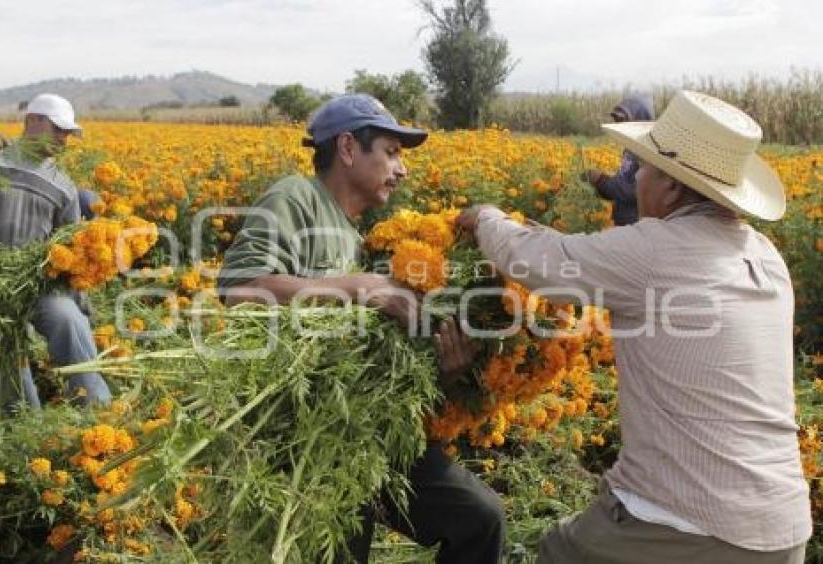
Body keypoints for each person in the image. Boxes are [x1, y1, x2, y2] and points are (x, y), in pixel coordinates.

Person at [457, 90, 810, 564]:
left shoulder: (655, 251)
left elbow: (535, 260)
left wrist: (486, 217)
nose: (636, 178)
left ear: (670, 187)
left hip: (692, 526)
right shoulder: (765, 255)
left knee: (560, 551)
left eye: (642, 168)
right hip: (784, 526)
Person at [219, 94, 505, 563]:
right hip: (303, 439)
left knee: (479, 517)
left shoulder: (362, 239)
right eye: (391, 153)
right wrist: (359, 287)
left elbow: (376, 365)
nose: (402, 169)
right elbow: (241, 291)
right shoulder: (298, 197)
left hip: (363, 429)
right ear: (348, 148)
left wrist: (447, 369)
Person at [0, 93, 112, 411]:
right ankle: (25, 435)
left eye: (68, 133)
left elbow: (71, 256)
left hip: (35, 283)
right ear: (31, 121)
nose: (64, 139)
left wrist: (82, 306)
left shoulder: (63, 186)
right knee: (8, 372)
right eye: (58, 129)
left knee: (68, 319)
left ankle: (97, 411)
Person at [585, 92, 655, 226]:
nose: (621, 127)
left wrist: (601, 180)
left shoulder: (648, 152)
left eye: (624, 121)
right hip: (623, 221)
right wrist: (601, 185)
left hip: (636, 224)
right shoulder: (630, 148)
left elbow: (635, 191)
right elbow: (623, 181)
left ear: (638, 119)